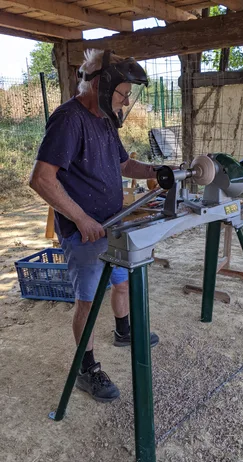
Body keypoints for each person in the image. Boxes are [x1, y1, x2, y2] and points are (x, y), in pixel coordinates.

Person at [29, 49, 159, 403]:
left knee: (121, 283)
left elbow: (123, 163)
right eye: (123, 93)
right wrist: (80, 218)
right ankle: (86, 369)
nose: (126, 101)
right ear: (102, 85)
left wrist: (152, 171)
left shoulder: (103, 118)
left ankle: (123, 331)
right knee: (87, 301)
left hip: (111, 225)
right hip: (85, 232)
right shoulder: (68, 120)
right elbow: (41, 179)